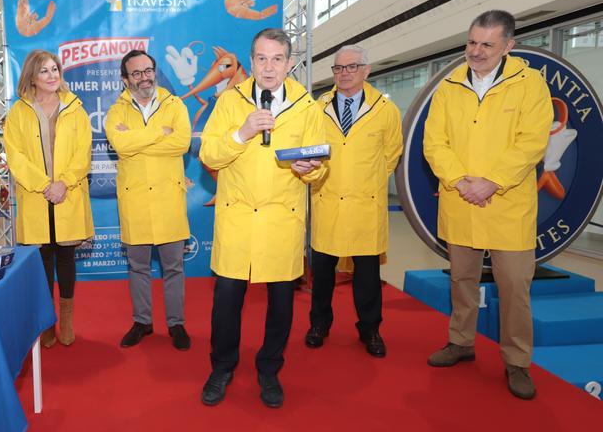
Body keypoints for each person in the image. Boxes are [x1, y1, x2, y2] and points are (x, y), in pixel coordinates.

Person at [423, 10, 552, 400]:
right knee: (462, 280)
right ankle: (461, 342)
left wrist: (492, 182)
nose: (475, 51)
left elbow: (531, 142)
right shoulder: (448, 86)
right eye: (472, 42)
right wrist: (461, 181)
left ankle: (517, 362)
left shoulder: (530, 84)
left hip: (508, 204)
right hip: (461, 200)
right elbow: (434, 142)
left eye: (486, 44)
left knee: (514, 286)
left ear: (508, 46)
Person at [199, 28, 326, 408]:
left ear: (290, 64)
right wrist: (241, 133)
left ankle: (269, 369)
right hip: (237, 219)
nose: (268, 67)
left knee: (282, 304)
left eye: (277, 59)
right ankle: (222, 367)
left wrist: (310, 169)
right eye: (261, 59)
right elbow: (209, 155)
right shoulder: (230, 103)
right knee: (226, 303)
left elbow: (320, 165)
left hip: (281, 221)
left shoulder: (308, 106)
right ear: (250, 62)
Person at [305, 45, 403, 358]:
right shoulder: (318, 107)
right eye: (338, 68)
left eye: (351, 67)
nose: (344, 74)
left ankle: (370, 329)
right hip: (328, 200)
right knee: (322, 275)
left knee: (367, 276)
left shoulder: (385, 110)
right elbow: (310, 149)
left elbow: (392, 154)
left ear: (366, 70)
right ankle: (319, 324)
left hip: (365, 205)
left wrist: (365, 181)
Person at [3, 49, 94, 348]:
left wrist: (63, 183)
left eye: (55, 69)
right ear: (31, 75)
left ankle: (66, 319)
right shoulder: (19, 111)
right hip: (36, 196)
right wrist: (44, 185)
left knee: (66, 257)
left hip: (67, 194)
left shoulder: (75, 108)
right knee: (41, 260)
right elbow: (15, 156)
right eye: (44, 71)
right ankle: (46, 321)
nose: (52, 75)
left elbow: (84, 153)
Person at [105, 50, 192, 351]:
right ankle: (142, 322)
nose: (145, 77)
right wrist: (159, 133)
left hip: (168, 198)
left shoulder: (175, 104)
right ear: (125, 79)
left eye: (148, 70)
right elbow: (121, 146)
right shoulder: (116, 112)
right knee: (138, 267)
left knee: (174, 268)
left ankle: (176, 323)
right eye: (137, 73)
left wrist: (138, 139)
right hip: (136, 200)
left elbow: (181, 142)